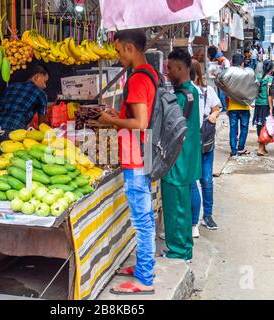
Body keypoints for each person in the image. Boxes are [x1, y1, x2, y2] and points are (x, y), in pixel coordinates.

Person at [98, 29, 157, 295]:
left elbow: (140, 123)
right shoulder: (151, 73)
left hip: (137, 156)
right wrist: (118, 113)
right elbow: (138, 115)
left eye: (119, 50)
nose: (118, 55)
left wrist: (111, 121)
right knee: (145, 216)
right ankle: (145, 265)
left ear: (130, 47)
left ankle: (144, 279)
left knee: (142, 218)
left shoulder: (137, 79)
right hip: (144, 153)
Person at [161, 49, 201, 261]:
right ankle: (185, 246)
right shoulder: (192, 92)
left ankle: (178, 251)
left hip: (177, 161)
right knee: (182, 207)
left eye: (169, 68)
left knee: (175, 207)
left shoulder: (180, 97)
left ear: (179, 68)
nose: (167, 71)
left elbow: (169, 128)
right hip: (188, 159)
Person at [190, 59, 221, 236]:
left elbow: (217, 108)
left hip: (206, 140)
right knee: (194, 180)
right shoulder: (186, 92)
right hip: (192, 142)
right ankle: (194, 219)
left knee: (206, 179)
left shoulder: (207, 91)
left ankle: (207, 215)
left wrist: (213, 116)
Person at [0, 64, 49, 154]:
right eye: (44, 81)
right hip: (15, 134)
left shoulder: (11, 87)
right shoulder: (41, 94)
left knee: (2, 161)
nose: (45, 86)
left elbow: (0, 107)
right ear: (36, 77)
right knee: (14, 163)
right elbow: (42, 124)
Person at [225, 54, 251, 157]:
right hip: (244, 107)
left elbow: (226, 93)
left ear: (232, 62)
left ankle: (233, 150)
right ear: (242, 63)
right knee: (244, 128)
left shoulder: (228, 75)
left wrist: (227, 107)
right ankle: (240, 148)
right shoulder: (246, 75)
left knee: (233, 128)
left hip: (232, 107)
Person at [254, 60, 273, 156]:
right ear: (271, 68)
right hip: (265, 104)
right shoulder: (269, 79)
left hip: (258, 104)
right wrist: (271, 107)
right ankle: (260, 149)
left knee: (260, 124)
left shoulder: (259, 77)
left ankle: (262, 148)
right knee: (264, 126)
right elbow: (268, 93)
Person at [207, 46, 230, 112]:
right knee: (220, 94)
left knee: (222, 94)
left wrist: (217, 74)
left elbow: (225, 72)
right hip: (220, 80)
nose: (217, 60)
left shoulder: (226, 62)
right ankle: (223, 107)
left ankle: (225, 108)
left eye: (218, 58)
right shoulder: (222, 62)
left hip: (223, 81)